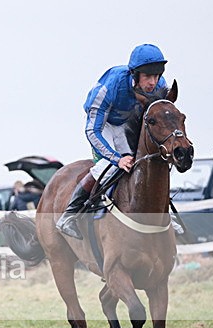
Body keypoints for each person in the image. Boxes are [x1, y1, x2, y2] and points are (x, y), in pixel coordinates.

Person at [56, 43, 169, 239]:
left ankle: (163, 212)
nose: (153, 82)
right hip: (103, 124)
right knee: (109, 167)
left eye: (156, 76)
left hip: (127, 122)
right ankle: (69, 215)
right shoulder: (109, 87)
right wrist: (117, 158)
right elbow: (92, 130)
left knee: (148, 162)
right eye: (148, 76)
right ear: (135, 75)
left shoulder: (160, 86)